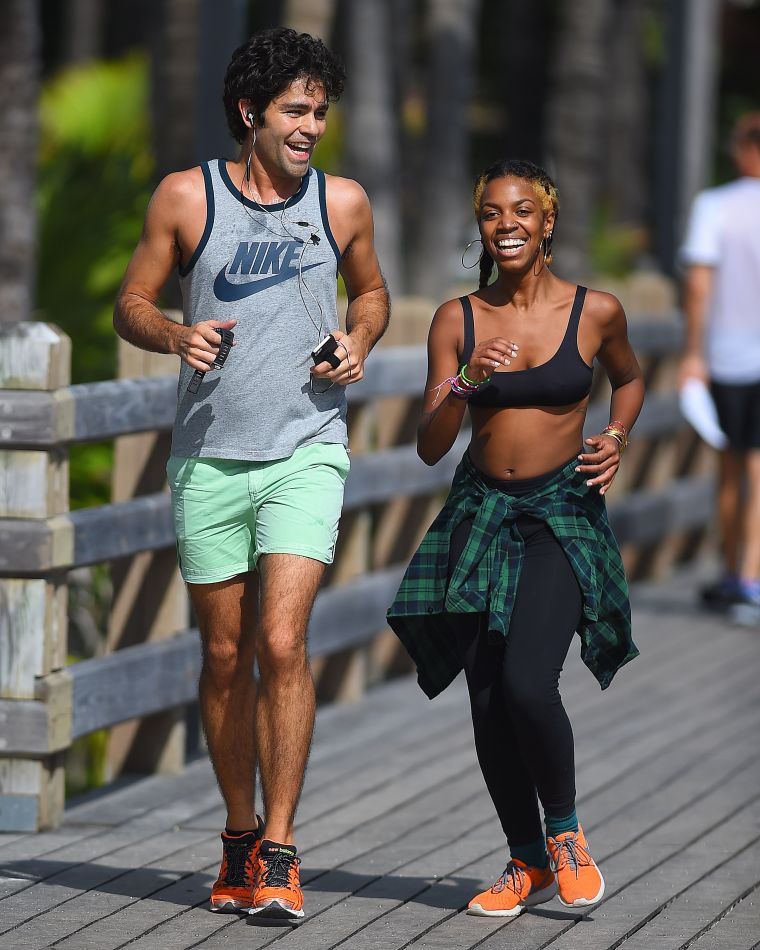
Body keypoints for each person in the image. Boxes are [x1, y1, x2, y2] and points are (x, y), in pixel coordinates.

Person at [113, 27, 389, 921]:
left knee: (281, 644)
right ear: (250, 113)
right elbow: (131, 303)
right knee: (225, 657)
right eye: (296, 111)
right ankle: (236, 833)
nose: (312, 126)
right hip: (208, 457)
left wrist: (360, 338)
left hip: (307, 450)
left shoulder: (342, 201)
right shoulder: (185, 198)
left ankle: (280, 847)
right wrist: (173, 334)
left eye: (320, 111)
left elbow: (374, 292)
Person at [387, 159, 643, 918]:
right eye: (494, 213)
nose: (507, 225)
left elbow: (628, 377)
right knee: (490, 701)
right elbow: (431, 444)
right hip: (479, 516)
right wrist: (464, 381)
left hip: (560, 514)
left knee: (531, 684)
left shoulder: (596, 311)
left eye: (522, 211)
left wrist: (619, 434)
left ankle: (564, 833)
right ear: (481, 227)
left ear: (548, 221)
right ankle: (524, 860)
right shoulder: (456, 319)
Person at [679, 113, 760, 625]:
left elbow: (698, 286)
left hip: (729, 354)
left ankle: (736, 573)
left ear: (741, 149)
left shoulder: (714, 205)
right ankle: (750, 579)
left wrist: (693, 353)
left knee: (730, 466)